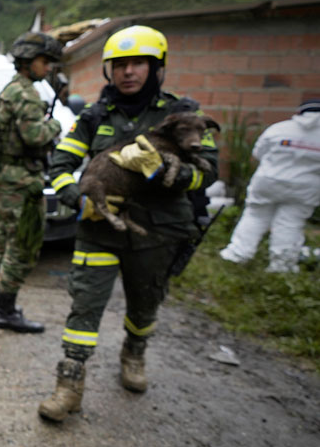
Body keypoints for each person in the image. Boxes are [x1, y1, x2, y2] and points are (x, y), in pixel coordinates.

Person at [38, 25, 219, 422]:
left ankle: (134, 353)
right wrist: (77, 198)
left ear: (157, 68)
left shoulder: (183, 114)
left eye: (138, 63)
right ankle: (69, 384)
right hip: (100, 229)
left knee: (145, 303)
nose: (128, 72)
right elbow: (62, 165)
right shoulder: (95, 116)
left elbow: (210, 172)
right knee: (84, 307)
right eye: (119, 65)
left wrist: (168, 176)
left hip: (160, 232)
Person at [0, 31, 65, 333]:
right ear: (29, 62)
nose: (48, 67)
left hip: (6, 176)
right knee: (22, 243)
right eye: (44, 61)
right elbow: (35, 136)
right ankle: (5, 309)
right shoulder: (27, 93)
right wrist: (55, 124)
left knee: (1, 239)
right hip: (22, 181)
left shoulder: (10, 89)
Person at [219, 98, 320, 273]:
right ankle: (282, 265)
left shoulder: (279, 128)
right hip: (305, 187)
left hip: (269, 181)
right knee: (290, 223)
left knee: (255, 216)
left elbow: (258, 153)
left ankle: (237, 255)